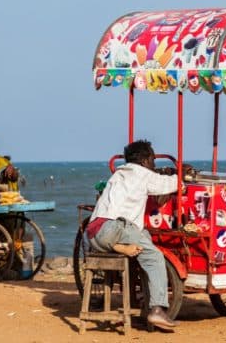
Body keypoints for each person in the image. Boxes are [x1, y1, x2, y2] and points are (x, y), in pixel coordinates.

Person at [85, 139, 180, 331]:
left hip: (95, 233)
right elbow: (170, 184)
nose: (154, 165)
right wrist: (182, 172)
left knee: (141, 234)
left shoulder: (119, 173)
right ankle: (156, 310)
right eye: (153, 160)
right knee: (154, 257)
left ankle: (121, 247)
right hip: (114, 228)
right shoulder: (143, 174)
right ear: (145, 161)